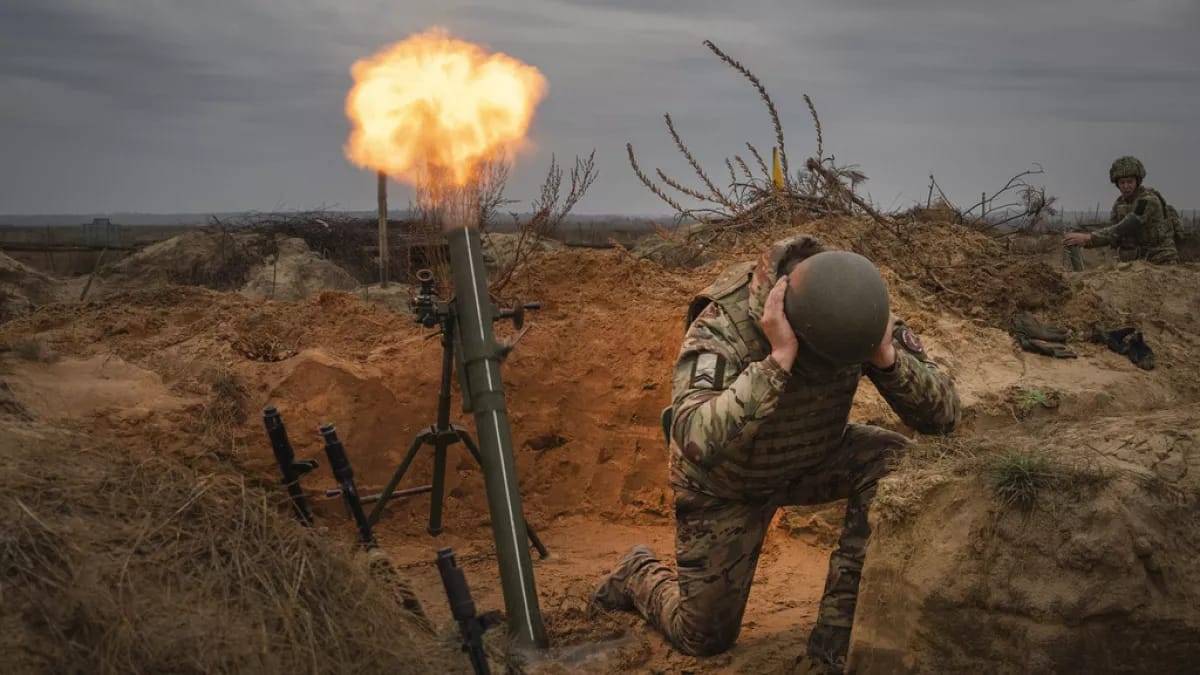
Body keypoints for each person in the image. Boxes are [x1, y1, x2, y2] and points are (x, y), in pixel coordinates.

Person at [591, 235, 961, 673]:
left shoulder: (853, 310)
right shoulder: (722, 325)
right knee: (703, 637)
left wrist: (885, 357)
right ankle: (636, 571)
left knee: (892, 459)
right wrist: (779, 360)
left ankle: (833, 639)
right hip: (727, 485)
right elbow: (692, 439)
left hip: (811, 457)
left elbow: (944, 416)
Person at [1062, 156, 1179, 264]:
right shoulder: (1119, 203)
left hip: (1160, 258)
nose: (1126, 186)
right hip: (1137, 261)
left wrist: (1089, 238)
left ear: (1137, 182)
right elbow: (1111, 229)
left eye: (1130, 182)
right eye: (1122, 182)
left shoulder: (1147, 200)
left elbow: (1129, 224)